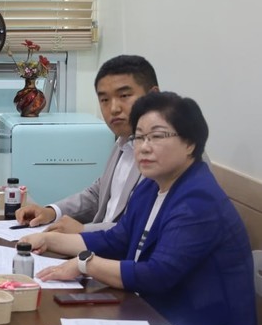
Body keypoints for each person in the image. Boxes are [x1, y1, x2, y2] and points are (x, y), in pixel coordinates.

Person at [21, 91, 257, 325]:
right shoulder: (150, 186)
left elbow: (158, 275)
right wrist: (50, 239)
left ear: (190, 143)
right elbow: (117, 239)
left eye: (157, 136)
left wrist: (86, 264)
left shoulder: (198, 200)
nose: (144, 147)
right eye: (139, 137)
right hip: (157, 318)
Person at [15, 55, 159, 233]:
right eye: (104, 100)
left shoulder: (167, 155)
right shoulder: (123, 141)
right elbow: (98, 194)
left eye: (124, 96)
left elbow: (142, 228)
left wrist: (83, 231)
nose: (114, 108)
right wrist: (51, 212)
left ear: (153, 96)